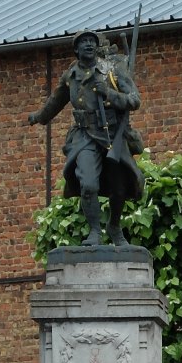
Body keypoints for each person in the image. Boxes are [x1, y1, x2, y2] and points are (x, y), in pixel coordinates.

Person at [28, 30, 144, 247]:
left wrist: (109, 93)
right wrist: (39, 117)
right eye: (84, 42)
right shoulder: (71, 75)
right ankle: (94, 231)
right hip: (84, 135)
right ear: (76, 49)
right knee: (88, 184)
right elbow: (56, 101)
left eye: (92, 41)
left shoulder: (112, 70)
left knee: (120, 187)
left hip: (111, 134)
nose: (89, 45)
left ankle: (114, 226)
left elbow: (134, 100)